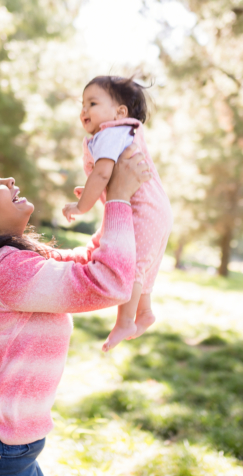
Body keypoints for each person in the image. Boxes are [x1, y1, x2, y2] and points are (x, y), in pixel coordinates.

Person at [0, 145, 150, 476]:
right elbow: (109, 281)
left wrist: (114, 200)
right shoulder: (5, 271)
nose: (10, 180)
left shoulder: (7, 264)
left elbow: (89, 259)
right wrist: (120, 200)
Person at [62, 76, 173, 352]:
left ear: (120, 112)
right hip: (156, 208)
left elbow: (102, 173)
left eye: (93, 103)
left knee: (132, 263)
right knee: (143, 262)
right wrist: (91, 190)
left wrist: (81, 206)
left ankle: (125, 320)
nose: (84, 111)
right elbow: (107, 179)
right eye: (83, 104)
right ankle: (144, 312)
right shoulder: (121, 133)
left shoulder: (111, 132)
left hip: (143, 210)